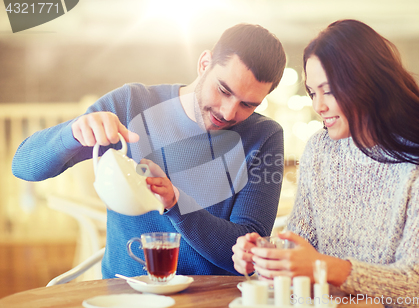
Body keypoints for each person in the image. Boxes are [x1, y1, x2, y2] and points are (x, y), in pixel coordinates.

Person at [232, 19, 419, 307]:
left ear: (367, 83)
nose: (319, 106)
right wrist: (266, 252)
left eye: (328, 90)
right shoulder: (321, 149)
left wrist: (323, 266)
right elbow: (301, 241)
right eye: (312, 92)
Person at [12, 23, 287, 278]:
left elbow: (247, 253)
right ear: (204, 64)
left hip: (212, 298)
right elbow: (23, 166)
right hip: (125, 294)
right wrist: (73, 133)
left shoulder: (264, 137)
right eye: (224, 90)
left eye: (248, 105)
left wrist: (176, 204)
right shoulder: (131, 104)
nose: (228, 112)